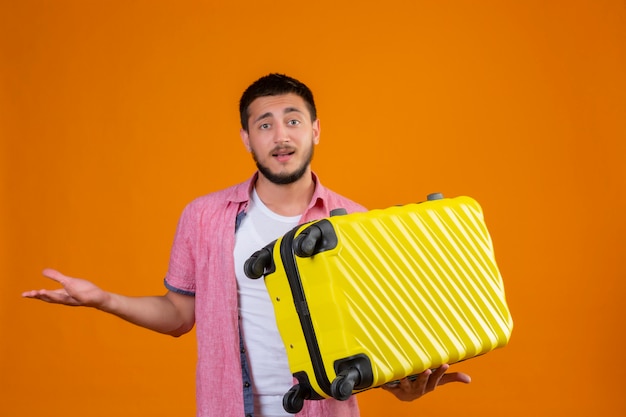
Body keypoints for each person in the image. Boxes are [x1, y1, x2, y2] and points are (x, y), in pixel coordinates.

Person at [23, 73, 471, 417]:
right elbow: (180, 316)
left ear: (315, 130)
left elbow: (372, 335)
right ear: (246, 138)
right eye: (265, 124)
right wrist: (103, 299)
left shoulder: (355, 221)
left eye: (293, 121)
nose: (281, 135)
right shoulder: (204, 216)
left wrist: (403, 383)